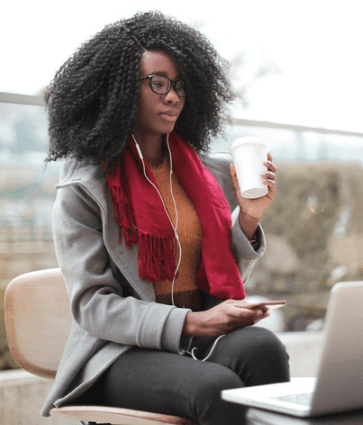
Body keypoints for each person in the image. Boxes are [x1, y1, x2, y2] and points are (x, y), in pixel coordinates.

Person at [41, 10, 290, 425]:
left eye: (179, 86)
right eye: (157, 83)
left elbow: (219, 272)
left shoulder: (205, 173)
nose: (172, 96)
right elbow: (93, 307)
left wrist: (247, 218)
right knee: (214, 388)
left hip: (194, 335)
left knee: (263, 349)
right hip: (119, 352)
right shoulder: (84, 188)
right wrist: (191, 323)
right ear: (118, 89)